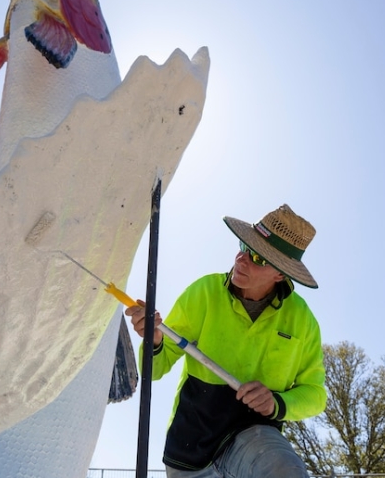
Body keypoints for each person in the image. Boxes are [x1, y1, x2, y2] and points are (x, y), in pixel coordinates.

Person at [126, 204, 326, 478]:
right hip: (190, 447)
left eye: (257, 258)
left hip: (253, 437)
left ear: (280, 274)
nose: (241, 259)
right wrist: (155, 339)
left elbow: (316, 395)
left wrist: (276, 403)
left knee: (285, 471)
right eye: (244, 246)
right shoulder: (204, 292)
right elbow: (155, 370)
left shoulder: (303, 321)